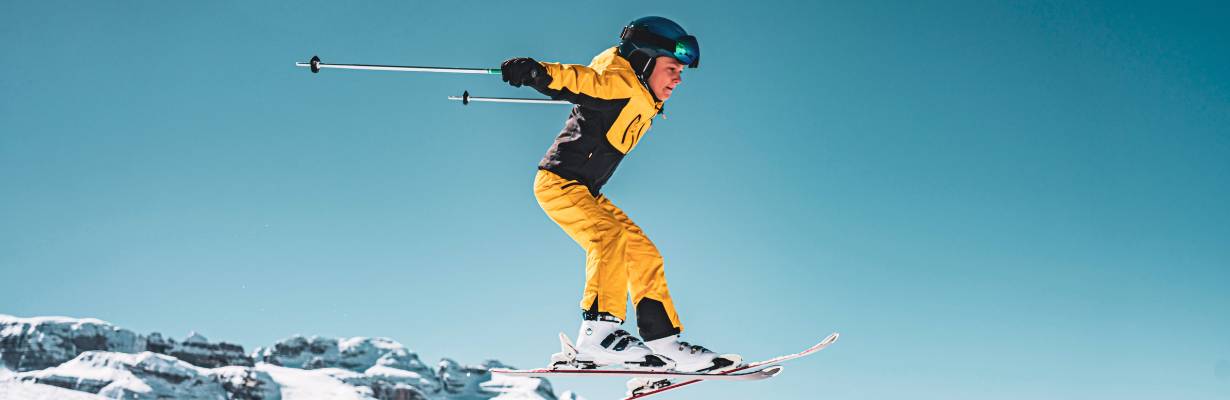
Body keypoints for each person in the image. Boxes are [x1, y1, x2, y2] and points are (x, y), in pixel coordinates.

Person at [501, 16, 739, 373]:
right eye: (672, 68)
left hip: (586, 191)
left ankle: (663, 343)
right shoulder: (617, 83)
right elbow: (577, 80)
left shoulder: (643, 97)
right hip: (558, 183)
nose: (678, 78)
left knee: (643, 253)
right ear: (644, 60)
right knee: (608, 237)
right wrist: (537, 73)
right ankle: (599, 334)